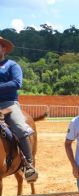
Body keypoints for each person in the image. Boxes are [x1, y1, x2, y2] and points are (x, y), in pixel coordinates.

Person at [0, 36, 38, 182]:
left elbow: (17, 83)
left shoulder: (12, 65)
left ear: (3, 49)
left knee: (20, 127)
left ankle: (28, 165)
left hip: (9, 105)